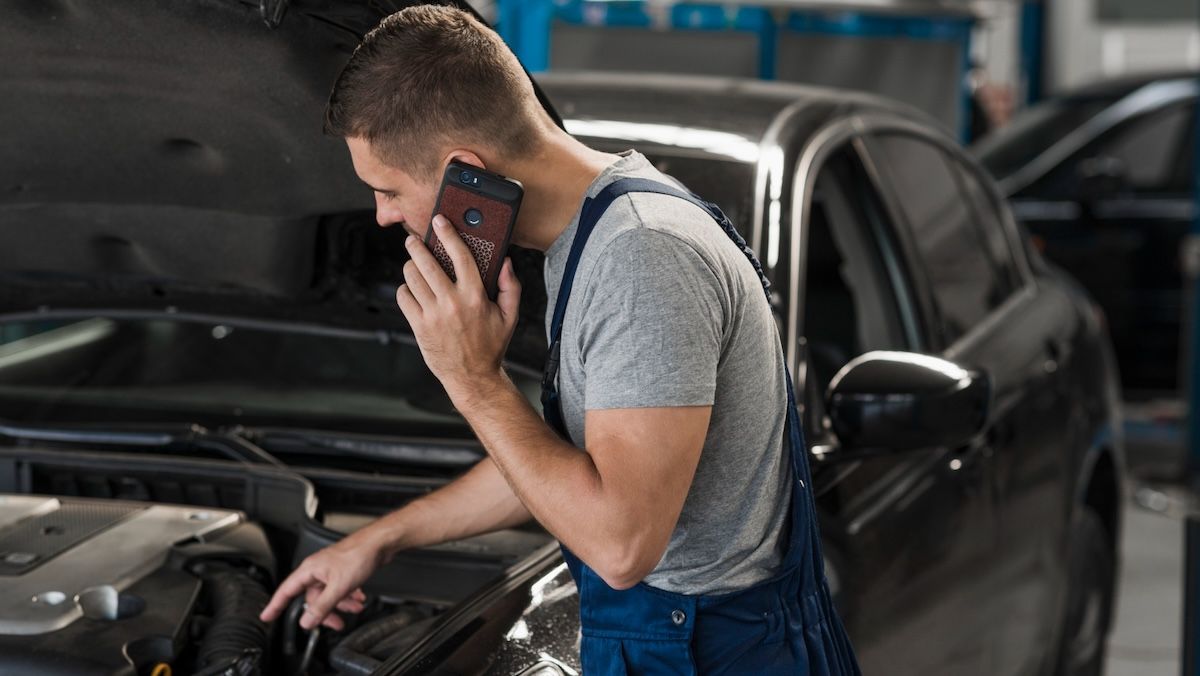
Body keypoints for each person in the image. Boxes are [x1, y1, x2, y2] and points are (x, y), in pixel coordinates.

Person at [259, 5, 860, 674]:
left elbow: (622, 545)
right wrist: (382, 537)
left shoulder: (641, 256)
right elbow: (561, 465)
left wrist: (473, 379)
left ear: (466, 171)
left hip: (710, 653)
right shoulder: (599, 237)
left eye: (389, 188)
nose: (382, 215)